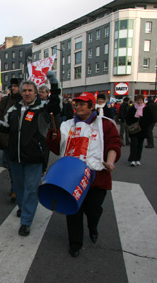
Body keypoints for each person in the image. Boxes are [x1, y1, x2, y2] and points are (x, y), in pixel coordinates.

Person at [46, 92, 121, 257]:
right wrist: (53, 138)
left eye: (82, 104)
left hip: (97, 176)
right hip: (72, 176)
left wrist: (110, 161)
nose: (78, 107)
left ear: (91, 106)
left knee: (93, 209)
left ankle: (93, 226)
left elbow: (113, 144)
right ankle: (75, 243)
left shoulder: (106, 125)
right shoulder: (67, 125)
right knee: (74, 209)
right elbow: (57, 148)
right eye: (76, 104)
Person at [0, 80, 60, 236]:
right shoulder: (13, 109)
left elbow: (55, 106)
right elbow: (6, 126)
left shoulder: (43, 108)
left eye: (30, 90)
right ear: (21, 92)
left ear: (35, 92)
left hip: (34, 157)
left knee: (31, 190)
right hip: (15, 157)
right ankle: (23, 207)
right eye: (24, 90)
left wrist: (54, 85)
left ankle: (26, 221)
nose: (27, 93)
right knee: (19, 189)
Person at [126, 95, 153, 166]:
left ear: (143, 101)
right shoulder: (132, 109)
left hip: (142, 130)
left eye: (140, 100)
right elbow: (128, 118)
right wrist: (131, 124)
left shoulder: (146, 109)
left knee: (140, 145)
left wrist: (145, 125)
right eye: (138, 100)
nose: (139, 101)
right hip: (134, 130)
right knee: (133, 145)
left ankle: (138, 159)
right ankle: (132, 159)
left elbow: (150, 119)